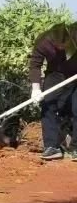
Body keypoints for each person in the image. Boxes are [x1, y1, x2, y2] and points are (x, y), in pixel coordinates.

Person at [28, 22, 77, 161]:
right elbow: (35, 65)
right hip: (56, 73)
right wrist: (36, 89)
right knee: (48, 104)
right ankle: (52, 147)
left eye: (65, 44)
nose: (62, 48)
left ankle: (75, 148)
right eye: (58, 45)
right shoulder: (43, 42)